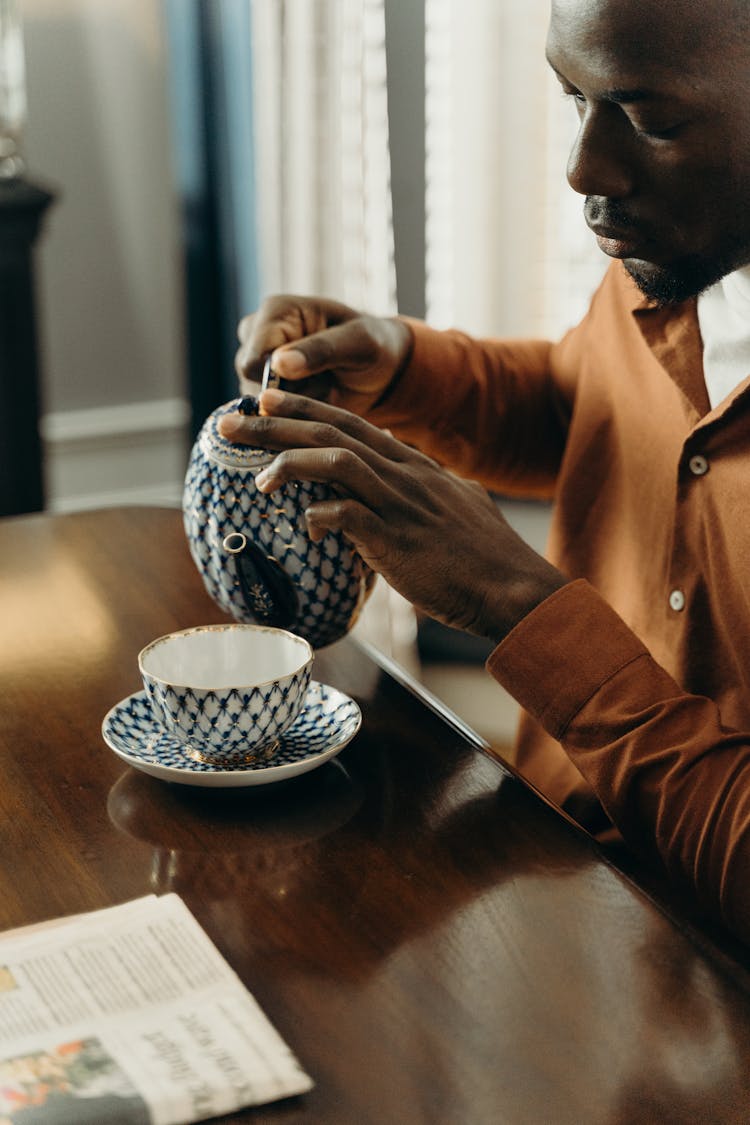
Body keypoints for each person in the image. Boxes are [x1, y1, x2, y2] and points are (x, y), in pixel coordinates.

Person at [218, 0, 750, 945]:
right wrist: (402, 363)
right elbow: (583, 410)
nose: (584, 169)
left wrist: (520, 608)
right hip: (554, 865)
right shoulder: (680, 252)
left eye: (653, 119)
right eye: (572, 96)